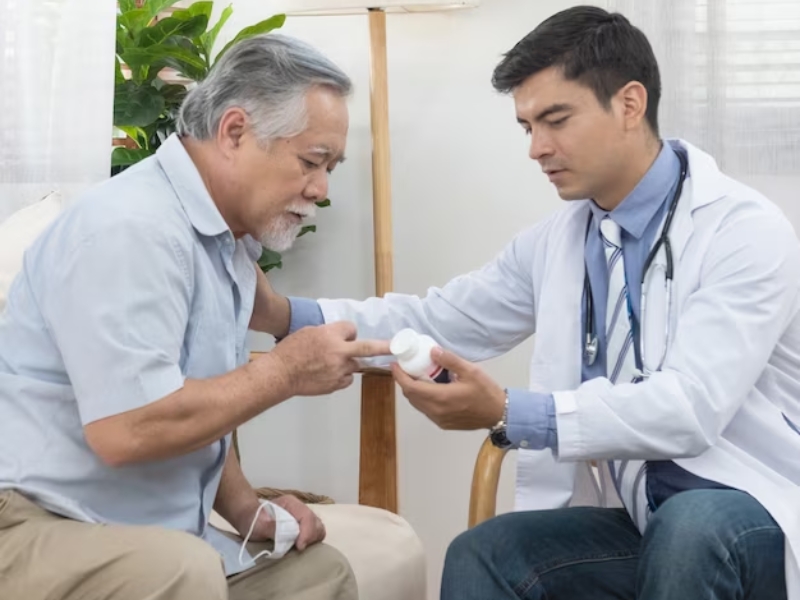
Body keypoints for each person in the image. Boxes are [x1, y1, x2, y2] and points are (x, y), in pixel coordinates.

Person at [259, 6, 800, 599]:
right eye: (526, 127)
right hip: (645, 521)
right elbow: (441, 320)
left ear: (630, 104)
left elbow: (689, 409)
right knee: (487, 554)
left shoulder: (744, 231)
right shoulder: (560, 241)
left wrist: (512, 411)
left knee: (692, 526)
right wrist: (285, 316)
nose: (537, 148)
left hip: (751, 515)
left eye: (556, 119)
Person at [0, 34, 391, 600]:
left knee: (319, 575)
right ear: (234, 131)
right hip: (33, 520)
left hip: (139, 529)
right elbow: (128, 428)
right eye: (311, 161)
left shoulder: (227, 244)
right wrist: (284, 371)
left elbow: (194, 396)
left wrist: (246, 506)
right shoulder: (131, 230)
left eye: (331, 165)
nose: (321, 188)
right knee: (182, 569)